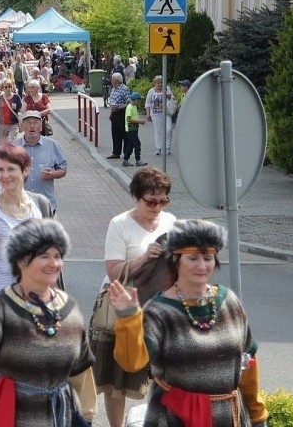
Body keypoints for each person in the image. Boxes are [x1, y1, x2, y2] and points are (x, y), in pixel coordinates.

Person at [108, 219, 269, 427]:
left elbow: (248, 360)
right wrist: (128, 318)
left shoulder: (229, 302)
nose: (202, 266)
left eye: (208, 258)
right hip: (173, 419)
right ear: (176, 261)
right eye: (193, 258)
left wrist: (257, 414)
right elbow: (132, 362)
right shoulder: (159, 311)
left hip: (228, 418)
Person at [0, 218, 96, 426]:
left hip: (60, 415)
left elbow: (81, 370)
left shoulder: (69, 308)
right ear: (22, 260)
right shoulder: (1, 307)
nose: (54, 263)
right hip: (11, 413)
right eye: (44, 256)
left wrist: (87, 415)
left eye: (58, 256)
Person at [92, 166, 176, 427]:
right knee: (116, 380)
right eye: (151, 201)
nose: (157, 206)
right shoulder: (120, 224)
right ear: (136, 197)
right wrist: (143, 258)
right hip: (124, 305)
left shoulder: (171, 221)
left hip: (159, 307)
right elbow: (114, 271)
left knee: (160, 372)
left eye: (163, 200)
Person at [0, 142, 55, 304]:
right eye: (0, 169)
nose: (5, 175)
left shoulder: (41, 206)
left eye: (11, 169)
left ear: (26, 170)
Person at [15, 111, 67, 215]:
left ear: (41, 127)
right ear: (22, 126)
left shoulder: (52, 145)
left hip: (45, 204)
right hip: (21, 205)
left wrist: (53, 174)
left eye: (36, 123)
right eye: (28, 123)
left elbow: (63, 169)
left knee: (45, 231)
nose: (32, 126)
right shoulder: (14, 147)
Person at [146, 76, 175, 156]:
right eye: (158, 83)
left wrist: (169, 97)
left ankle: (167, 147)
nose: (160, 84)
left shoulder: (167, 89)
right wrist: (148, 114)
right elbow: (147, 103)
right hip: (155, 114)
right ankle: (158, 148)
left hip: (166, 113)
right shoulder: (151, 91)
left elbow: (172, 98)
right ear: (154, 83)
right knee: (158, 131)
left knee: (168, 129)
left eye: (161, 82)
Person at [106, 73, 130, 160]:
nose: (111, 80)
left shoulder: (124, 89)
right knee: (115, 133)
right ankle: (116, 152)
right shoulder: (113, 89)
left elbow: (128, 103)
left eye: (112, 79)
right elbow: (112, 102)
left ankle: (126, 152)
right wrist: (111, 114)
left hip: (122, 112)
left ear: (117, 80)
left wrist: (119, 107)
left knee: (124, 133)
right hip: (114, 112)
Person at [122, 92, 148, 167]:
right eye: (139, 100)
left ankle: (125, 159)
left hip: (134, 128)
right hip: (131, 128)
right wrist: (140, 121)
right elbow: (128, 119)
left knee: (131, 145)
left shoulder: (134, 107)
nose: (140, 102)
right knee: (137, 143)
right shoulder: (130, 107)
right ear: (136, 100)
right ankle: (138, 160)